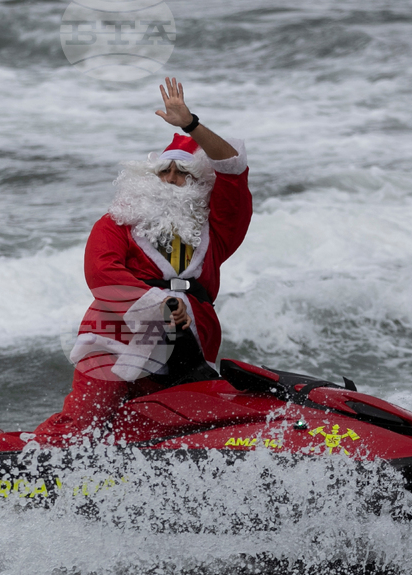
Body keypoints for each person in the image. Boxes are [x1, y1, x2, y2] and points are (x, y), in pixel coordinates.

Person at [31, 77, 253, 445]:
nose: (170, 178)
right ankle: (10, 461)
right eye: (164, 170)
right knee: (81, 428)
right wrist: (160, 303)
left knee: (166, 431)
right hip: (118, 331)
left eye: (182, 172)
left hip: (191, 339)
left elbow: (232, 165)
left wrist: (191, 126)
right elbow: (102, 273)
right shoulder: (119, 221)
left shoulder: (217, 228)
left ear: (199, 182)